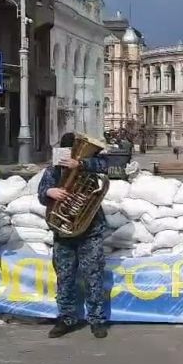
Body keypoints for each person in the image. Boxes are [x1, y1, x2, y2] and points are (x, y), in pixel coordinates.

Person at [38, 132, 111, 338]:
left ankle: (97, 319)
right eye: (66, 150)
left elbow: (106, 166)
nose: (67, 154)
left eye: (72, 150)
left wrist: (80, 164)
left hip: (90, 230)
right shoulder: (53, 170)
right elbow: (42, 193)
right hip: (63, 231)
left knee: (93, 275)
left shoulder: (92, 163)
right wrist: (49, 192)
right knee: (65, 276)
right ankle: (66, 318)